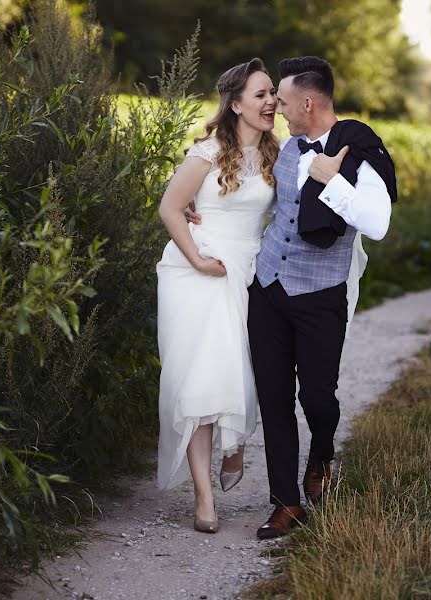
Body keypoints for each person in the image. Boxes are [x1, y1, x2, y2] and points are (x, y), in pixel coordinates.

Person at [248, 56, 396, 539]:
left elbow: (376, 224)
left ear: (308, 102)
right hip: (268, 287)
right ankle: (286, 502)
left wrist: (330, 177)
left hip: (319, 296)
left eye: (285, 102)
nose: (280, 110)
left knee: (316, 397)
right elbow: (271, 206)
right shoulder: (288, 148)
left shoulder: (361, 155)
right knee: (273, 396)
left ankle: (323, 453)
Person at [155, 58, 279, 534]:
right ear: (235, 104)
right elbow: (170, 207)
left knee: (246, 368)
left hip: (250, 269)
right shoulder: (208, 152)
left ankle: (236, 442)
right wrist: (197, 260)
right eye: (261, 95)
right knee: (202, 380)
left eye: (273, 95)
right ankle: (204, 497)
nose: (271, 103)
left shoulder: (277, 154)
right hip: (200, 269)